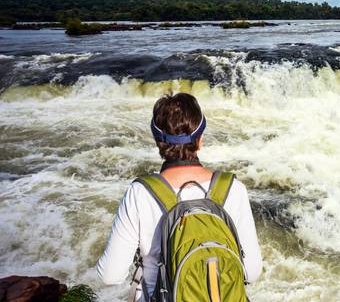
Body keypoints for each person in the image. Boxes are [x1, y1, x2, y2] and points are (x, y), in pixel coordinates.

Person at [97, 93, 262, 301]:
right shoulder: (232, 188)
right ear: (200, 139)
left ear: (158, 142)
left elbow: (110, 276)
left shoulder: (140, 193)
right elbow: (252, 272)